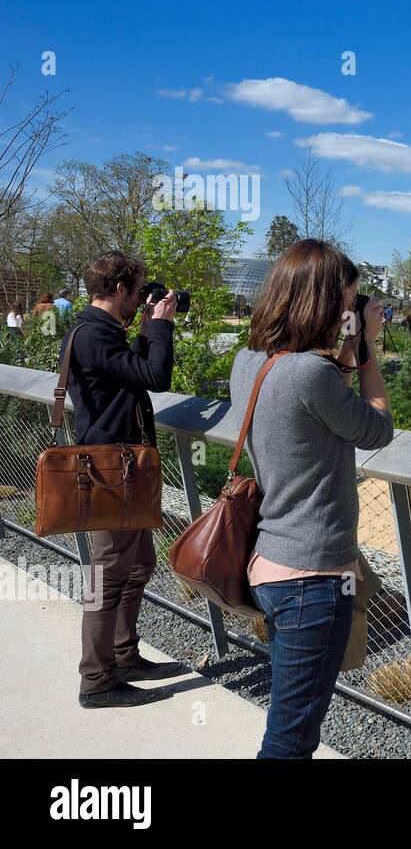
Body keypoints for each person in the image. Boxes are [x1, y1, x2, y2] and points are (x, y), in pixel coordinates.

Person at [230, 240, 393, 759]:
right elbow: (377, 429)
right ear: (323, 302)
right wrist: (367, 349)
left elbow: (317, 399)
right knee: (291, 740)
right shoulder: (311, 374)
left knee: (289, 721)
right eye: (347, 300)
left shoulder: (251, 360)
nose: (352, 308)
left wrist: (345, 349)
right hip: (313, 579)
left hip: (270, 562)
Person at [64, 251, 181, 708]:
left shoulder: (100, 332)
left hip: (124, 468)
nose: (143, 297)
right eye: (139, 290)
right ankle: (96, 681)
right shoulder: (94, 335)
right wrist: (159, 325)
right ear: (118, 290)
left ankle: (123, 655)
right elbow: (155, 376)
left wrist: (147, 325)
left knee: (137, 565)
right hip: (111, 473)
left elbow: (127, 377)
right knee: (107, 577)